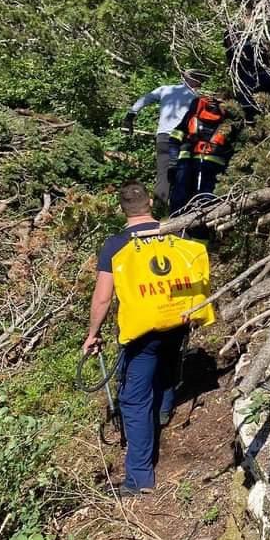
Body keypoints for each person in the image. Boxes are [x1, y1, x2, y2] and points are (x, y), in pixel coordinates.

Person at [83, 181, 186, 496]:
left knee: (133, 399)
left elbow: (102, 298)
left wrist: (93, 333)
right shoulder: (173, 231)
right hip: (177, 318)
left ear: (121, 209)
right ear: (150, 203)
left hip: (142, 331)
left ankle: (140, 477)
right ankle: (165, 409)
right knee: (167, 364)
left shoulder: (115, 245)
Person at [123, 70, 209, 209]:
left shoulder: (165, 89)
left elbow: (143, 100)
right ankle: (182, 212)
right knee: (184, 176)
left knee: (163, 176)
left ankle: (158, 210)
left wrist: (130, 117)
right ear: (197, 81)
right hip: (182, 140)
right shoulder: (197, 97)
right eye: (200, 81)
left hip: (163, 138)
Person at [168, 92, 236, 216]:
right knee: (208, 197)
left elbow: (175, 136)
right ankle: (203, 228)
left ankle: (176, 225)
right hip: (213, 164)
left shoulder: (195, 112)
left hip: (187, 160)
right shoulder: (231, 119)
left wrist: (172, 162)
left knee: (180, 196)